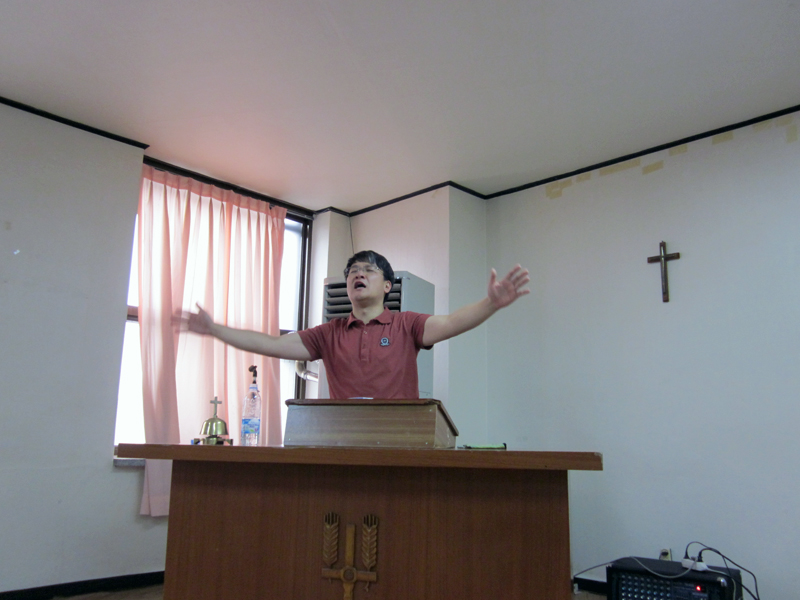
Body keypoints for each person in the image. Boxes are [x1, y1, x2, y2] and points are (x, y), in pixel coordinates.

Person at [182, 250, 529, 399]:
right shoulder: (328, 334)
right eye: (353, 272)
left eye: (368, 270)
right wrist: (215, 329)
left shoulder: (407, 325)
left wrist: (491, 304)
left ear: (387, 285)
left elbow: (452, 321)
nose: (358, 274)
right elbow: (272, 344)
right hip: (343, 441)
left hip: (400, 442)